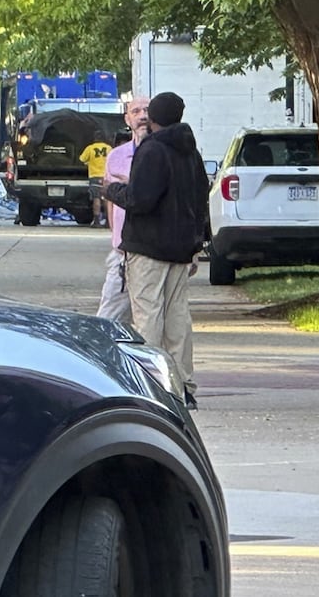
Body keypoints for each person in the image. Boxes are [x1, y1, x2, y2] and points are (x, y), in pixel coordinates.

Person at [103, 92, 209, 410]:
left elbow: (141, 199)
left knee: (148, 315)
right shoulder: (190, 151)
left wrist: (112, 190)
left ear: (155, 118)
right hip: (180, 248)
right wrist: (197, 242)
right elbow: (200, 194)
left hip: (148, 248)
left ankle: (152, 383)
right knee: (177, 317)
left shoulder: (153, 149)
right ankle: (184, 385)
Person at [96, 96, 151, 325]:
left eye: (146, 110)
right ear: (127, 119)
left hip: (153, 251)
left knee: (151, 317)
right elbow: (110, 198)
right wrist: (115, 236)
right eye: (136, 111)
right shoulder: (117, 156)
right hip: (123, 252)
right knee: (110, 316)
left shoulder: (163, 153)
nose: (142, 116)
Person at [80, 136, 112, 226]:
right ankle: (108, 221)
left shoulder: (90, 148)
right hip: (106, 176)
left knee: (96, 198)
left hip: (94, 175)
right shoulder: (109, 148)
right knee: (106, 198)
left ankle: (97, 221)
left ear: (95, 139)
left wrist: (88, 163)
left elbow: (82, 159)